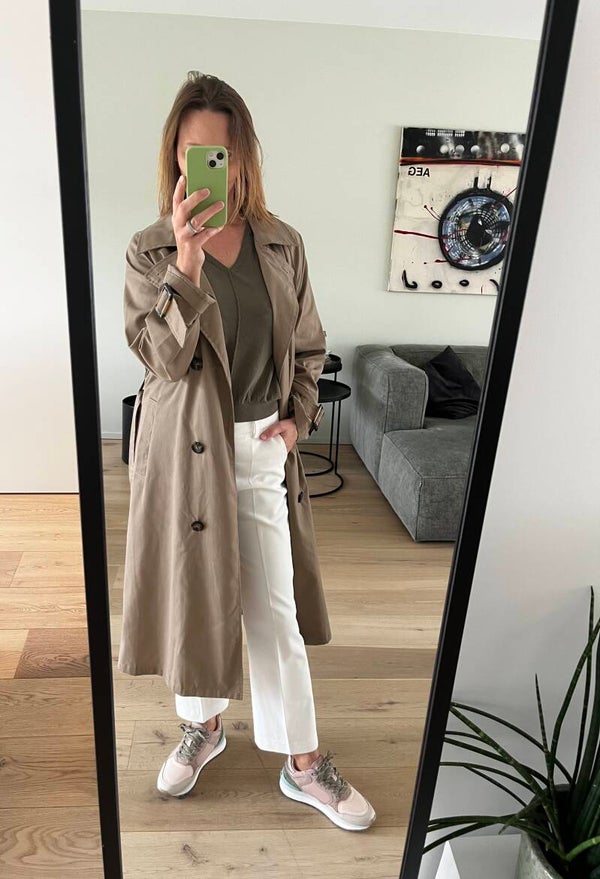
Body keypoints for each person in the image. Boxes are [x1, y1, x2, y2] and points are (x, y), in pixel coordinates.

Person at [120, 71, 375, 832]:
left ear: (243, 156)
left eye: (221, 153)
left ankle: (304, 763)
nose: (206, 166)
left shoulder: (281, 243)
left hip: (261, 446)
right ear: (174, 157)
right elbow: (161, 359)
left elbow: (309, 345)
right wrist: (187, 264)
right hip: (183, 453)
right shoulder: (149, 250)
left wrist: (300, 418)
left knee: (274, 611)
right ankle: (202, 726)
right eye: (191, 152)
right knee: (195, 598)